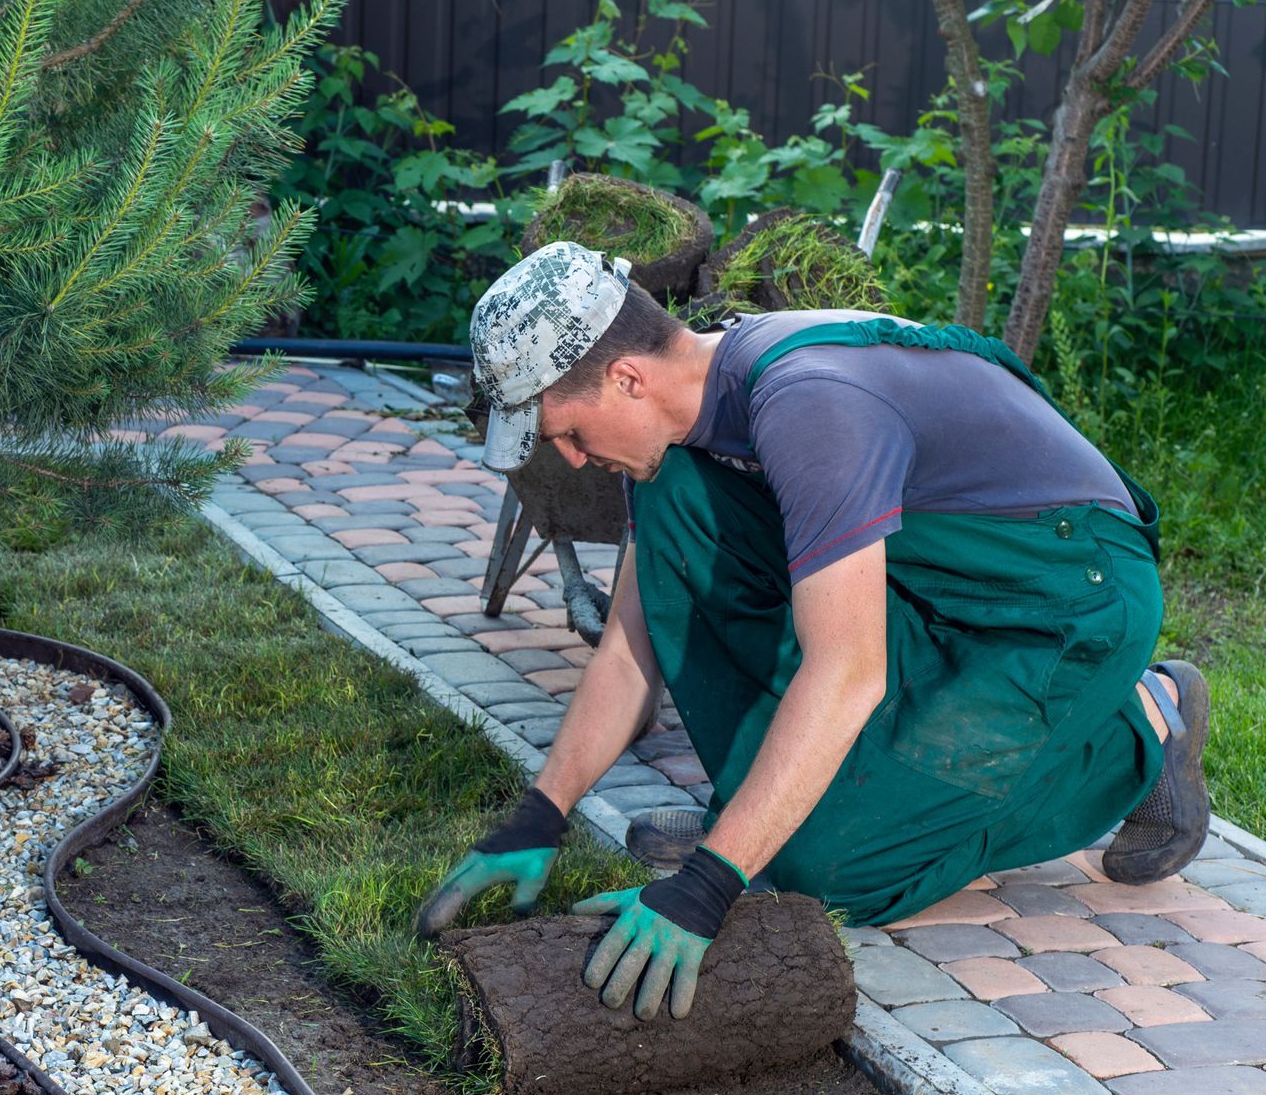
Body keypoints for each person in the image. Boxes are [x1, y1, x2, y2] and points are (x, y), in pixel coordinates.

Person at [414, 241, 1211, 1024]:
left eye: (566, 430)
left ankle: (1138, 727)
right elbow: (631, 646)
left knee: (825, 871)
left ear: (626, 377)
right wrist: (542, 811)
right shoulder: (692, 419)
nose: (573, 459)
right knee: (677, 502)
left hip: (1062, 606)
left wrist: (710, 883)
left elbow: (847, 673)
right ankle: (780, 805)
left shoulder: (808, 404)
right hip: (936, 583)